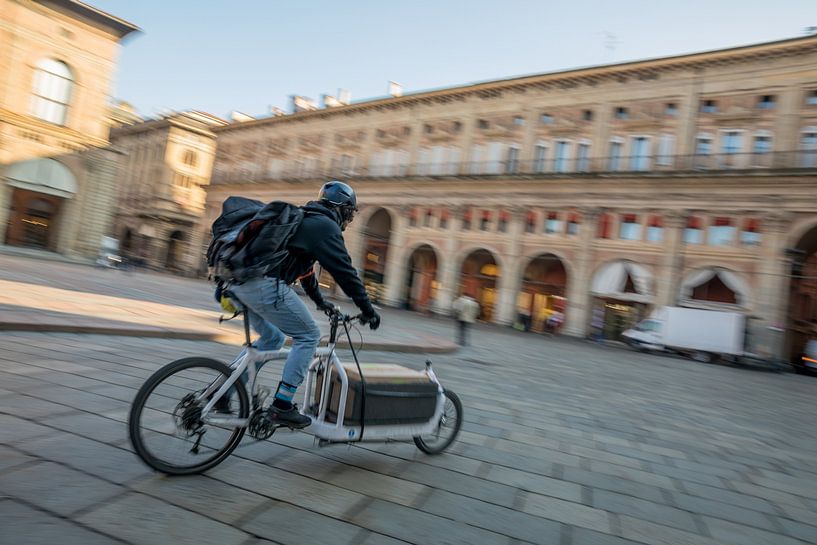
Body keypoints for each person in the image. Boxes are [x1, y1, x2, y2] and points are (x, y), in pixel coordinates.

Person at [225, 180, 381, 428]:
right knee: (309, 335)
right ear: (340, 208)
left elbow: (306, 271)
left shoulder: (305, 218)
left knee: (272, 339)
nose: (349, 220)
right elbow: (345, 273)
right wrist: (368, 310)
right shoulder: (325, 227)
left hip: (238, 283)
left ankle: (224, 393)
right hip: (264, 284)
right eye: (350, 213)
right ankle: (282, 406)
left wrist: (321, 302)